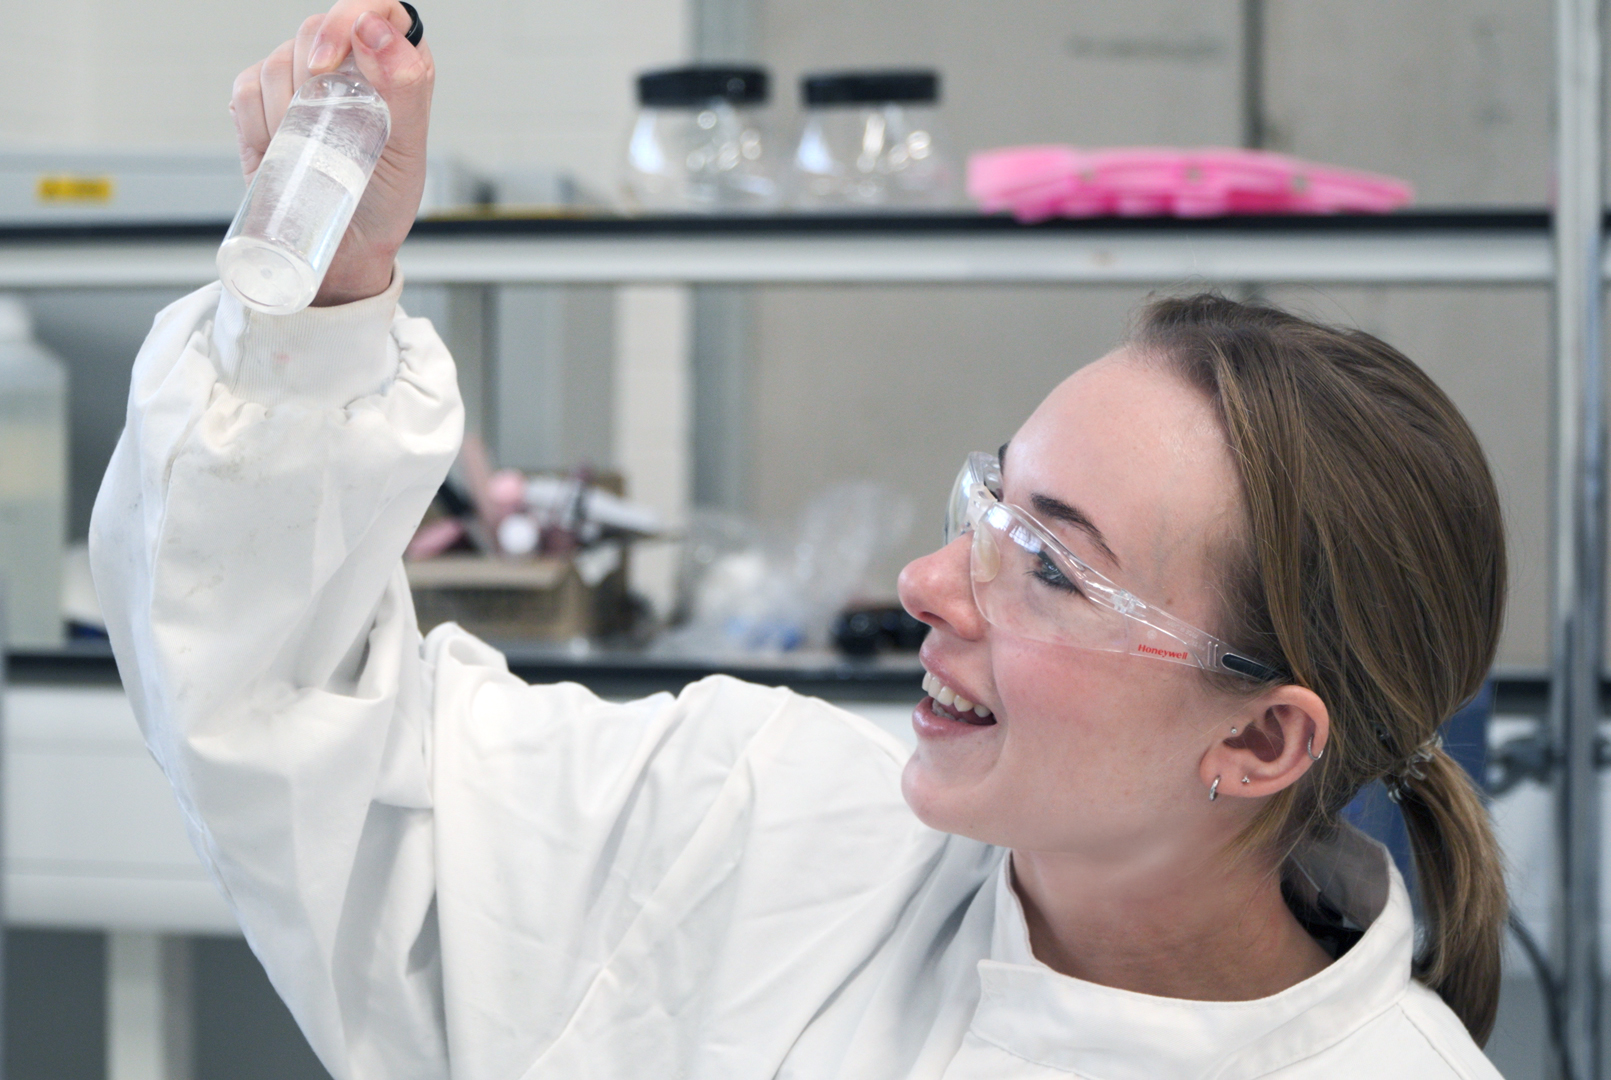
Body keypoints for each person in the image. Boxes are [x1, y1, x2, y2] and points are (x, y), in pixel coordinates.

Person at [90, 2, 1510, 1076]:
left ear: (1260, 740)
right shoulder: (761, 825)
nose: (928, 585)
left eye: (1053, 568)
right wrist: (323, 306)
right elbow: (305, 737)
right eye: (988, 508)